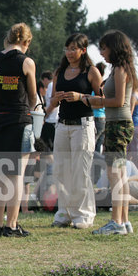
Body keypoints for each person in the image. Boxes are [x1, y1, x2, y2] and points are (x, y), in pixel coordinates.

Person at [0, 22, 37, 237]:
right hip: (20, 121)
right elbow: (32, 96)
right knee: (16, 176)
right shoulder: (27, 62)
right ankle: (12, 225)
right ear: (26, 42)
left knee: (0, 174)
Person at [83, 30, 138, 235]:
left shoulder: (120, 70)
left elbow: (118, 101)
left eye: (104, 48)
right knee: (121, 174)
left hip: (118, 124)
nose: (101, 52)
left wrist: (94, 101)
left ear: (114, 48)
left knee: (114, 174)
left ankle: (116, 221)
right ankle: (123, 221)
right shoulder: (120, 68)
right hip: (119, 123)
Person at [49, 33, 102, 229]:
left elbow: (101, 102)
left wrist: (81, 96)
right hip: (62, 124)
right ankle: (64, 213)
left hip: (83, 124)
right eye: (67, 49)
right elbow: (52, 101)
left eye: (74, 49)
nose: (70, 53)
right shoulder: (59, 72)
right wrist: (57, 99)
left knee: (81, 172)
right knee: (61, 171)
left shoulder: (91, 72)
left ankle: (84, 215)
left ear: (83, 50)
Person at [40, 71, 57, 152]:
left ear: (45, 79)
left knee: (46, 147)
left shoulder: (51, 85)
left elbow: (53, 104)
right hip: (54, 120)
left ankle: (50, 164)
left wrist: (45, 115)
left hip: (50, 120)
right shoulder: (53, 85)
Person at [93, 63, 107, 153]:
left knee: (92, 146)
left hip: (96, 118)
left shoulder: (98, 87)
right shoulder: (105, 85)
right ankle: (97, 167)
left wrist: (88, 105)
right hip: (103, 118)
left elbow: (102, 103)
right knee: (98, 147)